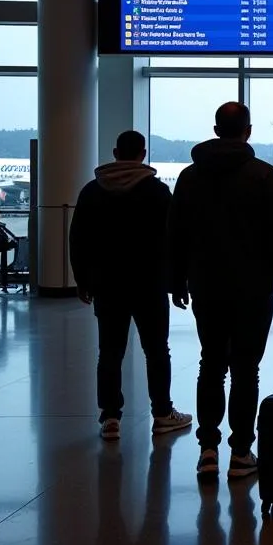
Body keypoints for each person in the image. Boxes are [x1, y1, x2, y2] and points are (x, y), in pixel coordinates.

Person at [169, 102, 273, 481]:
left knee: (210, 365)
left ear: (216, 129)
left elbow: (176, 236)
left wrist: (177, 280)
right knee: (245, 369)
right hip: (252, 289)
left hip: (206, 287)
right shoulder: (263, 175)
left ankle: (208, 450)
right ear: (248, 131)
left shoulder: (188, 177)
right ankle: (242, 453)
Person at [69, 130, 191, 441]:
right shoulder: (158, 193)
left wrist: (82, 279)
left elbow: (78, 240)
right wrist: (178, 282)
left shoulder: (92, 192)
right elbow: (176, 241)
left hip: (107, 285)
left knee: (109, 352)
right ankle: (163, 413)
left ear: (114, 152)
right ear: (143, 153)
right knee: (157, 351)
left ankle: (110, 417)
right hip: (149, 284)